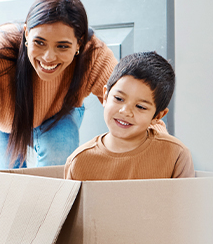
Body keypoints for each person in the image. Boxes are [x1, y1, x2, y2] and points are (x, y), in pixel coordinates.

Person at [0, 0, 119, 172]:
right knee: (3, 181)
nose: (48, 57)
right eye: (40, 42)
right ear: (27, 33)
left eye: (62, 46)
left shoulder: (93, 54)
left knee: (57, 165)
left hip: (58, 114)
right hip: (1, 123)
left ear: (79, 43)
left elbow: (134, 100)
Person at [64, 51, 195, 181]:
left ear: (158, 116)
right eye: (119, 98)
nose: (125, 111)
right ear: (105, 96)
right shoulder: (79, 161)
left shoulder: (176, 155)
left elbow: (186, 201)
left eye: (140, 107)